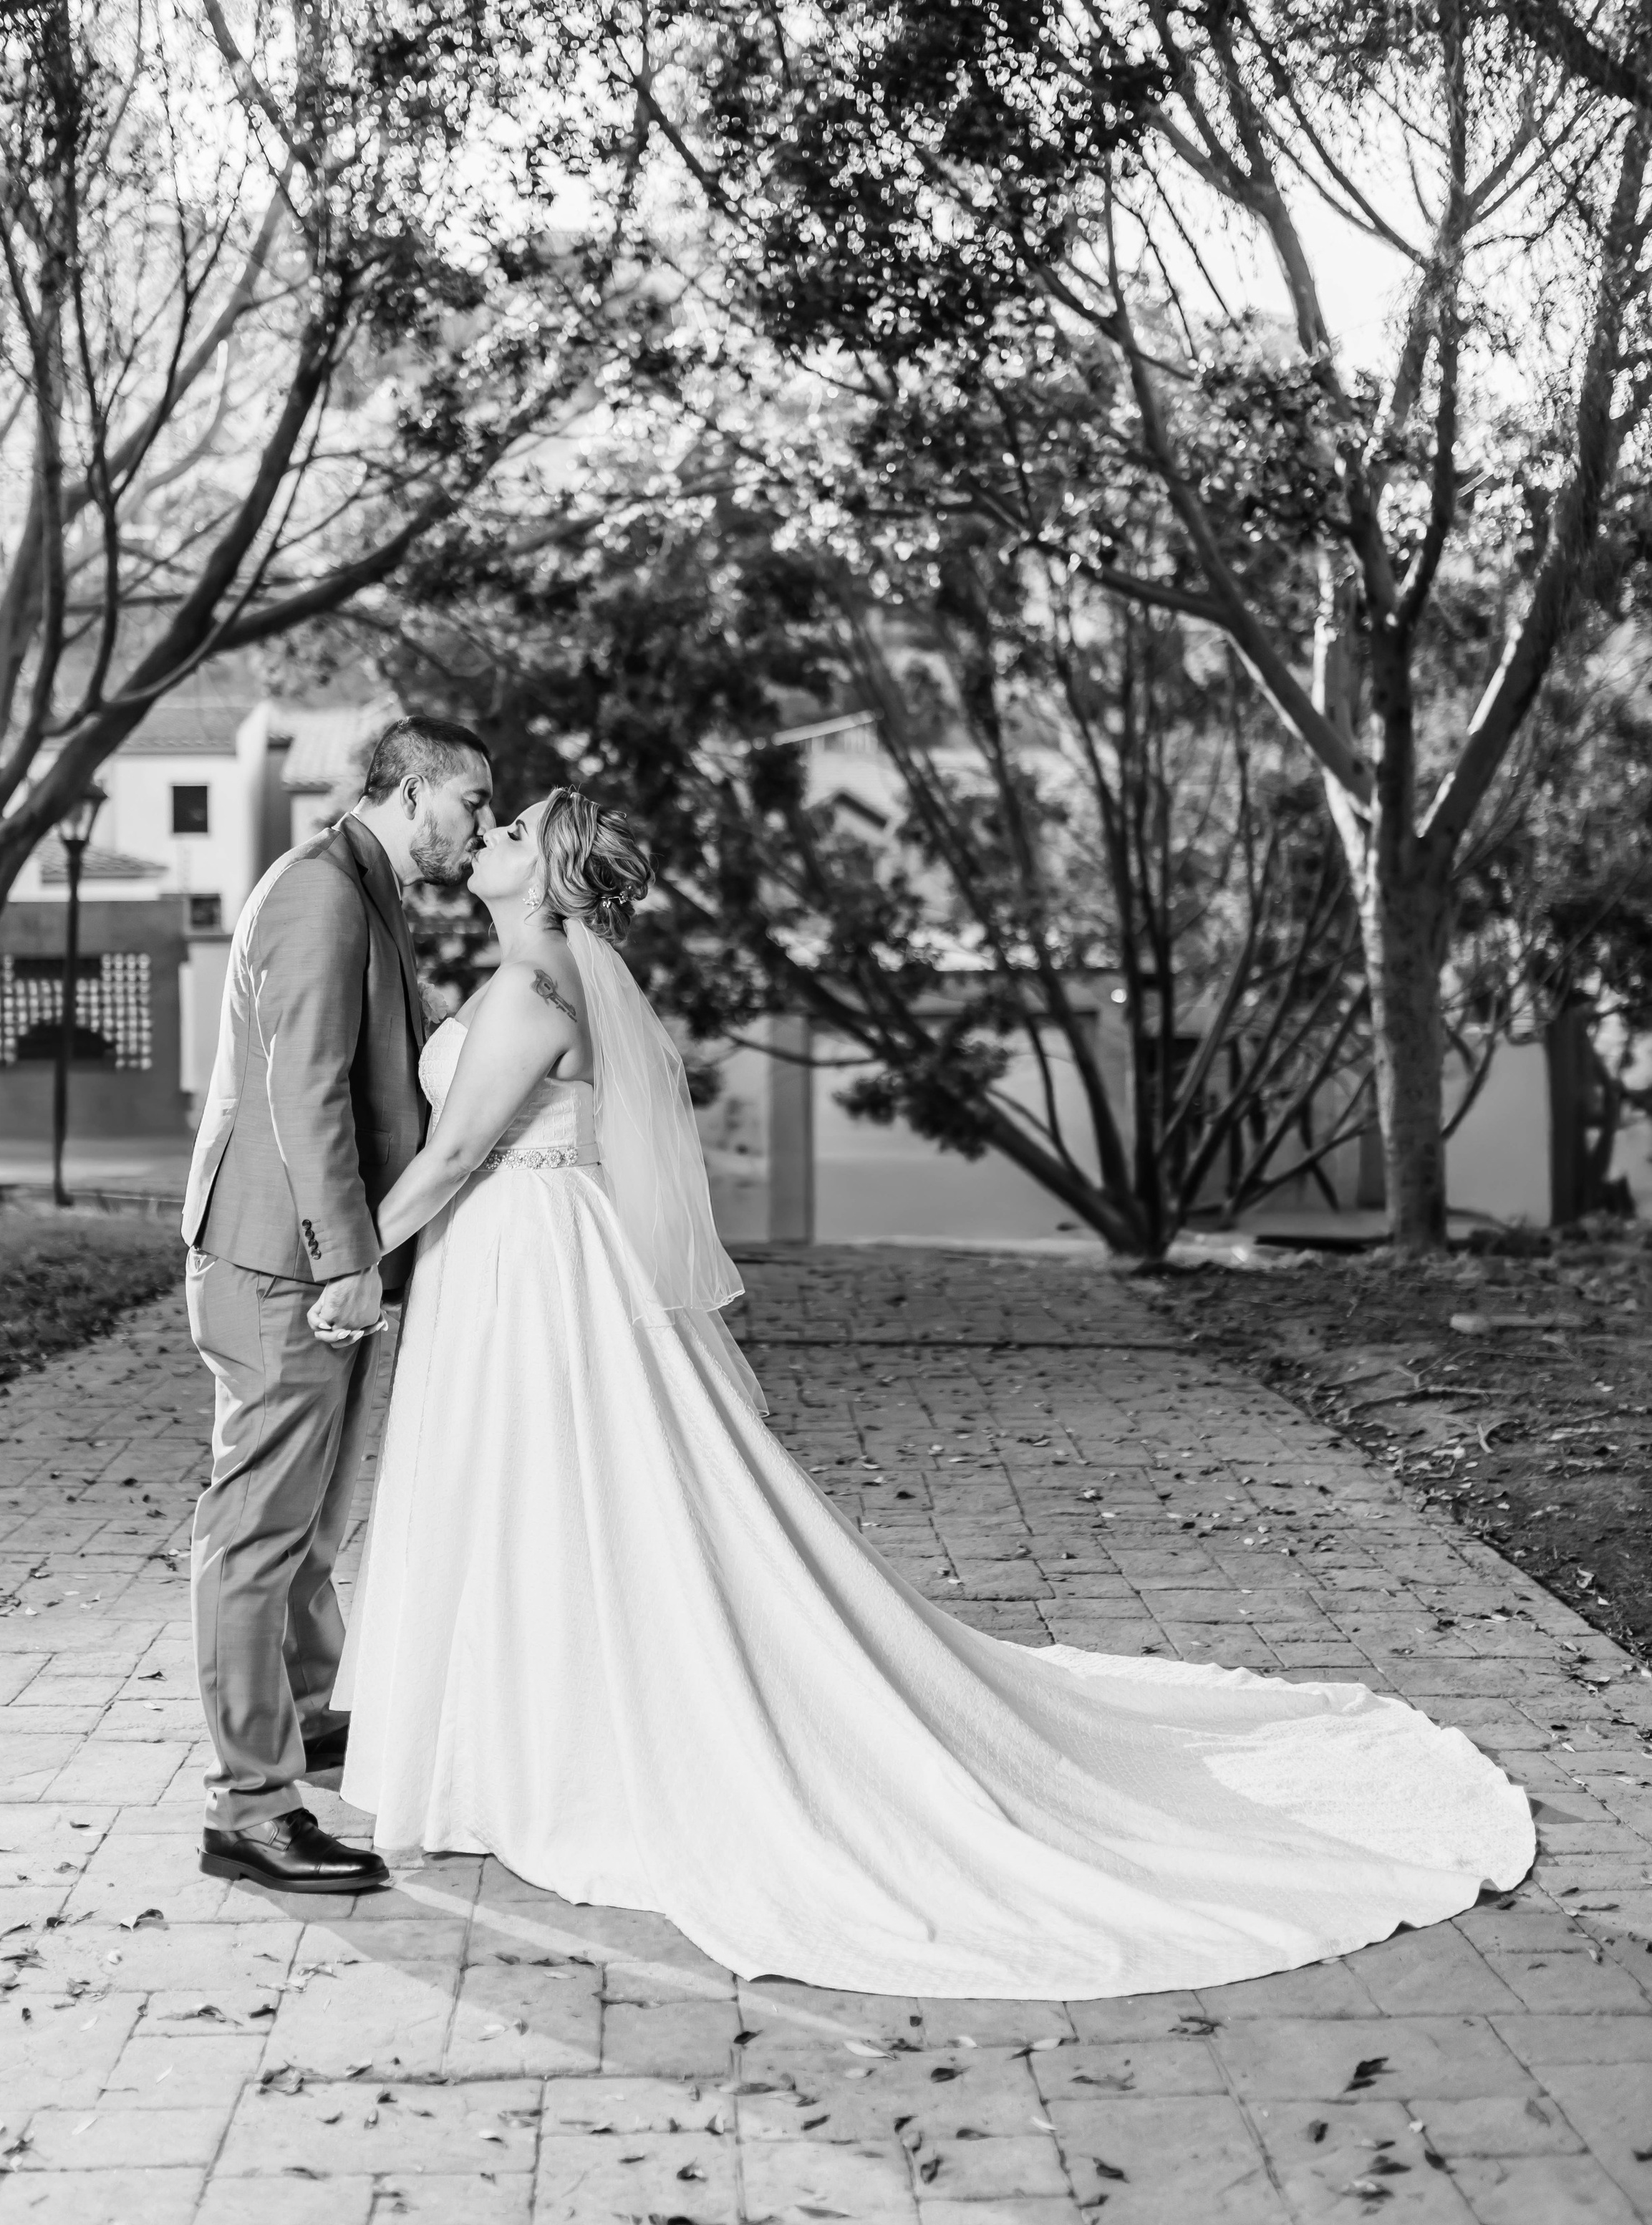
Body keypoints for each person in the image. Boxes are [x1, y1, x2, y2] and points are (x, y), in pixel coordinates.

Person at [334, 784, 1535, 1997]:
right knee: (546, 1498)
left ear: (546, 879)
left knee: (544, 1492)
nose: (490, 833)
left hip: (531, 1264)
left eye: (512, 830)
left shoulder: (531, 991)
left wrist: (348, 1261)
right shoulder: (545, 981)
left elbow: (454, 1154)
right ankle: (524, 1742)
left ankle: (548, 1753)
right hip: (533, 1255)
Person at [183, 716, 493, 1894]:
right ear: (412, 793)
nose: (479, 826)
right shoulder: (320, 892)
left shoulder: (366, 887)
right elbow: (303, 1089)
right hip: (283, 1265)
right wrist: (345, 1258)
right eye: (471, 801)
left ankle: (305, 1718)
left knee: (311, 1526)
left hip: (312, 1260)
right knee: (256, 1532)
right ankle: (250, 1809)